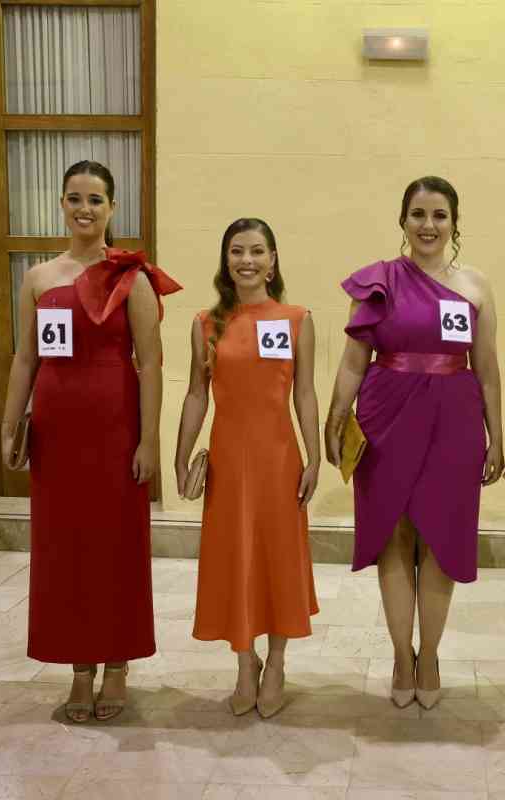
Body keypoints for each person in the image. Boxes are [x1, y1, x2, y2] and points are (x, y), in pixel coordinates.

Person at [1, 160, 181, 723]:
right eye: (75, 198)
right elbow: (25, 357)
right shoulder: (38, 278)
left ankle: (118, 664)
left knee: (116, 545)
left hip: (114, 425)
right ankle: (80, 668)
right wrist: (10, 424)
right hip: (57, 430)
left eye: (96, 199)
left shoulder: (132, 277)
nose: (85, 208)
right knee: (66, 549)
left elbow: (150, 364)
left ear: (112, 208)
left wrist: (148, 440)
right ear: (61, 203)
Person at [324, 176, 504, 710]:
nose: (428, 225)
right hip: (386, 417)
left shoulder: (475, 285)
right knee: (394, 537)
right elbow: (353, 360)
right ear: (403, 220)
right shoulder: (379, 280)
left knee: (442, 541)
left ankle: (431, 656)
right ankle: (403, 655)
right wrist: (336, 416)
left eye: (439, 215)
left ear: (454, 222)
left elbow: (487, 367)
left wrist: (497, 435)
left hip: (454, 421)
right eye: (418, 214)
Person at [175, 218, 320, 719]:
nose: (247, 261)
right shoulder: (206, 323)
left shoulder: (296, 319)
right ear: (226, 259)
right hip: (229, 462)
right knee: (234, 558)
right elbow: (196, 394)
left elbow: (305, 393)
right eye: (237, 251)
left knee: (279, 558)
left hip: (279, 459)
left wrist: (313, 456)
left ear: (273, 260)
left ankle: (276, 663)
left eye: (257, 251)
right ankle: (244, 662)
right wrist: (180, 456)